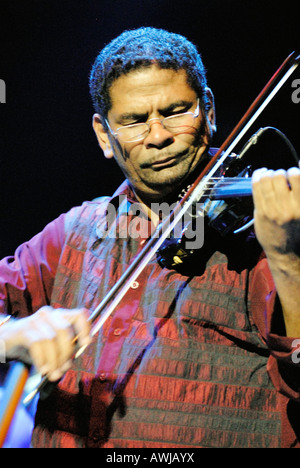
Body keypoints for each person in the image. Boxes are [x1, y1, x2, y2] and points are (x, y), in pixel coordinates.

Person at [0, 27, 300, 449]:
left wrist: (287, 260)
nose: (158, 136)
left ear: (208, 110)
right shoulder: (72, 235)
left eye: (176, 111)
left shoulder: (263, 235)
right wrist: (12, 334)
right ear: (105, 136)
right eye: (135, 121)